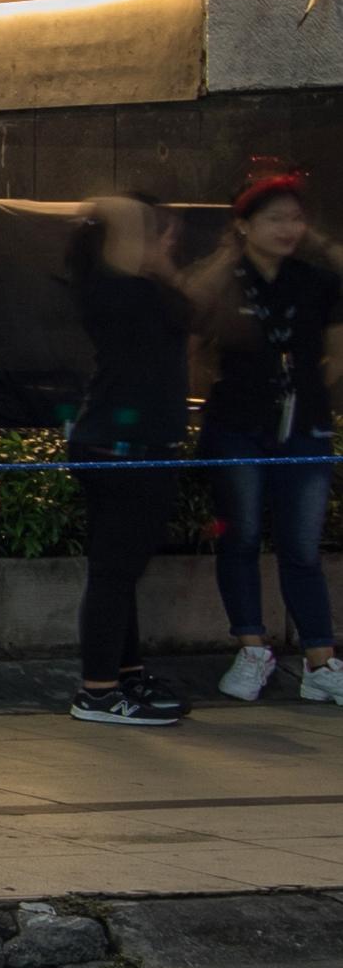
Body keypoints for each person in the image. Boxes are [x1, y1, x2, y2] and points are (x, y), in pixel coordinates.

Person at [198, 161, 343, 703]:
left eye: (297, 219)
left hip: (303, 427)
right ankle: (252, 646)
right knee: (239, 535)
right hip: (236, 426)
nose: (289, 228)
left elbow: (336, 356)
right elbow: (191, 320)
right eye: (275, 218)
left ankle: (321, 662)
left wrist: (307, 389)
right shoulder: (225, 276)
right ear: (244, 224)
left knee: (302, 546)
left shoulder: (318, 280)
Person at [67, 190, 201, 725]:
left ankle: (125, 674)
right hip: (120, 451)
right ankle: (98, 692)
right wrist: (113, 207)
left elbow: (189, 309)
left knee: (121, 572)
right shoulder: (112, 288)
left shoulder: (141, 289)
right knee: (113, 573)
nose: (169, 240)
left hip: (141, 449)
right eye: (159, 231)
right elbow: (118, 216)